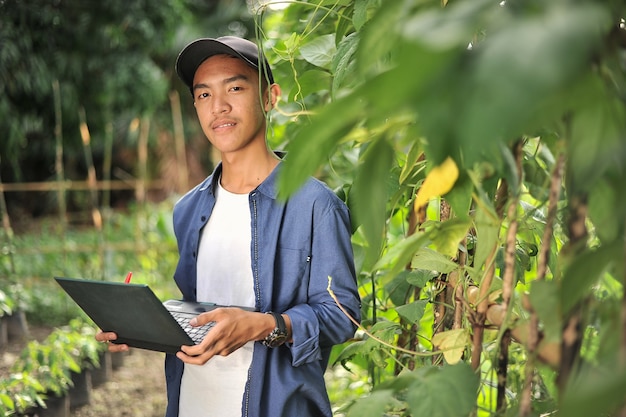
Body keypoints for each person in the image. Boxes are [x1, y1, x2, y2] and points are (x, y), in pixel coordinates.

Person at [95, 35, 361, 417]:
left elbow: (342, 315)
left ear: (271, 97)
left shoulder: (316, 204)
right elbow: (198, 308)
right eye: (203, 95)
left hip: (276, 406)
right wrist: (141, 327)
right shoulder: (189, 208)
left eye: (235, 88)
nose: (218, 107)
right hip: (194, 402)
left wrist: (262, 325)